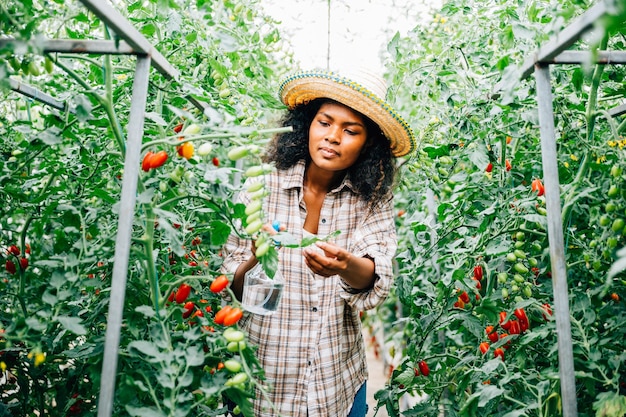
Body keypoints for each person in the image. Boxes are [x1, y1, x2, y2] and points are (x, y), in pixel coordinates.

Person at [220, 69, 415, 417]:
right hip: (264, 380)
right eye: (324, 122)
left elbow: (376, 277)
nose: (333, 137)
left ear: (368, 143)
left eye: (351, 130)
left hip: (334, 381)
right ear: (307, 125)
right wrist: (254, 259)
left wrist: (346, 266)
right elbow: (230, 288)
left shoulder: (370, 201)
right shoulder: (261, 187)